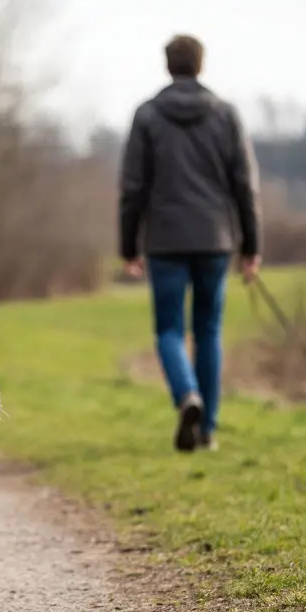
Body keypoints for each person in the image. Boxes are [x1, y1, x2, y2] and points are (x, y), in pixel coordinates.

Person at [119, 34, 262, 453]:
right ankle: (207, 431)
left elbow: (132, 187)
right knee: (209, 331)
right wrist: (251, 247)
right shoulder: (226, 114)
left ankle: (187, 397)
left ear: (168, 66)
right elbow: (245, 186)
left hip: (164, 240)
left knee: (168, 328)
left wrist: (128, 246)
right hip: (215, 239)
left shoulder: (146, 116)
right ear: (201, 65)